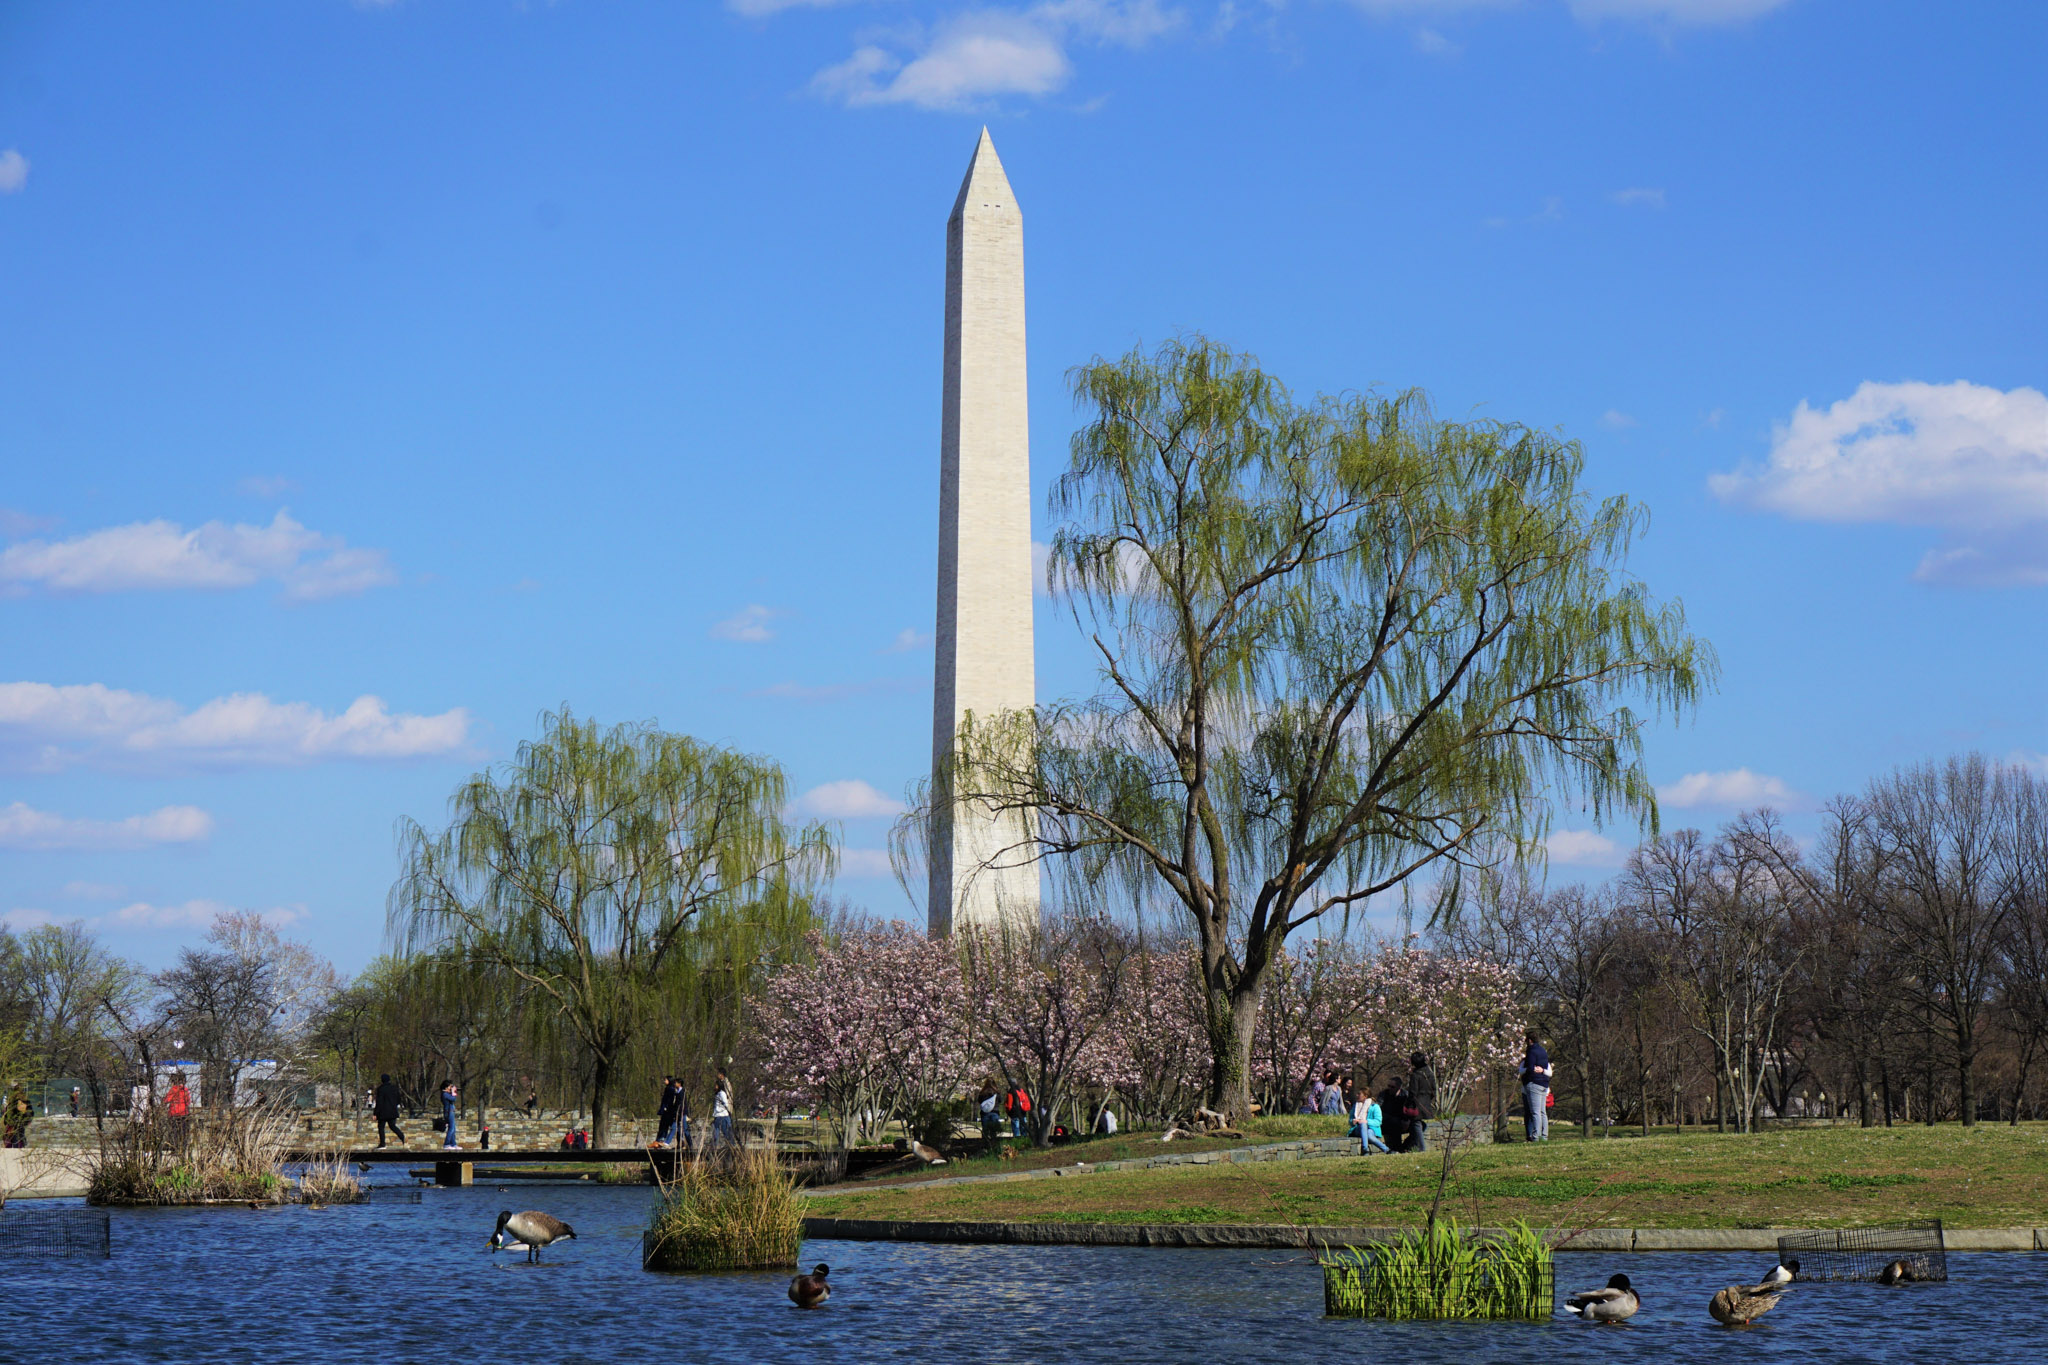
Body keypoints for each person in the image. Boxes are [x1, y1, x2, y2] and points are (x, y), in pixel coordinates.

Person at [1520, 1029, 1552, 1143]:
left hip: (1534, 1083)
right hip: (1544, 1083)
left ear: (1529, 1040)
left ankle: (1535, 1136)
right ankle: (1544, 1135)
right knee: (1542, 1112)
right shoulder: (1543, 1051)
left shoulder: (1531, 1051)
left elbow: (1530, 1067)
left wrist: (1527, 1070)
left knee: (1535, 1112)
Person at [1407, 1052, 1437, 1153]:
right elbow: (1434, 1089)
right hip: (1427, 1100)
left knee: (1416, 1123)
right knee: (1418, 1124)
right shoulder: (1430, 1073)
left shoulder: (1415, 1075)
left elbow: (1413, 1091)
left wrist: (1408, 1103)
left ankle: (1421, 1147)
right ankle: (1411, 1145)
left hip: (1417, 1102)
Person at [373, 1073, 406, 1148]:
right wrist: (393, 1105)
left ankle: (382, 1144)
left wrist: (375, 1113)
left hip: (383, 1112)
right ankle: (402, 1136)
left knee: (381, 1127)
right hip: (392, 1111)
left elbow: (379, 1102)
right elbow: (399, 1100)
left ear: (382, 1080)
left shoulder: (380, 1089)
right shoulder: (394, 1088)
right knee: (392, 1126)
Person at [2, 1083, 31, 1148]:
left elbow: (8, 1111)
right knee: (16, 1136)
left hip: (16, 1122)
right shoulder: (21, 1100)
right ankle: (18, 1146)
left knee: (15, 1136)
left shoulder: (19, 1100)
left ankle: (17, 1146)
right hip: (16, 1122)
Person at [711, 1069, 735, 1148]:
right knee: (717, 1131)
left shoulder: (725, 1084)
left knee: (726, 1130)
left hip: (724, 1112)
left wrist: (726, 1109)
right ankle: (716, 1146)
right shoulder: (719, 1088)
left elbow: (727, 1099)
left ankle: (731, 1145)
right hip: (719, 1113)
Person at [655, 1074, 678, 1148]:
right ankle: (660, 1141)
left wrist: (665, 1108)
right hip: (668, 1110)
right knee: (664, 1126)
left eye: (666, 1080)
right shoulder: (671, 1089)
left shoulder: (670, 1089)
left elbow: (668, 1100)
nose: (664, 1081)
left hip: (667, 1110)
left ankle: (660, 1141)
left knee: (665, 1126)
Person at [439, 1080, 460, 1149]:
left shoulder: (447, 1093)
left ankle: (453, 1144)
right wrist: (453, 1092)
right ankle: (446, 1144)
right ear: (446, 1087)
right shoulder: (444, 1094)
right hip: (449, 1112)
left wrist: (452, 1092)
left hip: (451, 1111)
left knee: (453, 1129)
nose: (450, 1088)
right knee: (451, 1128)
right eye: (450, 1086)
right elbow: (453, 1099)